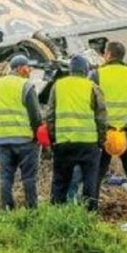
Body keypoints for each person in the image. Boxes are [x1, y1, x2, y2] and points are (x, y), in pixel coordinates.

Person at [0, 55, 44, 209]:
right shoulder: (26, 86)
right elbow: (35, 116)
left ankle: (7, 209)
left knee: (6, 177)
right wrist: (37, 136)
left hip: (2, 140)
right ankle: (32, 210)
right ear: (20, 68)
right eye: (28, 67)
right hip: (25, 141)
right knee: (29, 177)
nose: (30, 70)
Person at [91, 41, 127, 216]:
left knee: (96, 175)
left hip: (104, 134)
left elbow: (90, 104)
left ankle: (90, 211)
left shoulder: (96, 75)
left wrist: (102, 127)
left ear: (108, 55)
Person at [48, 55, 107, 211]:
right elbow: (101, 116)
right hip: (88, 143)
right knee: (90, 181)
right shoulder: (92, 87)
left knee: (60, 181)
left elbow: (50, 116)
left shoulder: (57, 86)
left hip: (64, 142)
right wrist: (101, 140)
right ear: (86, 70)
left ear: (71, 70)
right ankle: (90, 214)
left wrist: (53, 138)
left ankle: (55, 214)